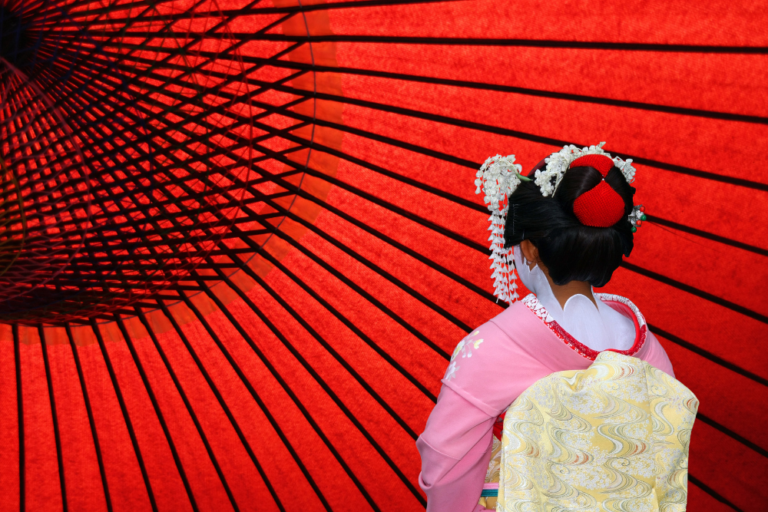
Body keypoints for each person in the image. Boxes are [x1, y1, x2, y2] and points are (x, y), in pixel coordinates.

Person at [416, 144, 693, 511]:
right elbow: (664, 462)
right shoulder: (650, 351)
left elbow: (445, 465)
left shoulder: (492, 349)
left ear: (530, 249)